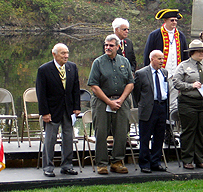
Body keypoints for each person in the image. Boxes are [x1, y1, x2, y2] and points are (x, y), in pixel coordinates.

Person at [88, 34, 134, 175]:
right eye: (106, 45)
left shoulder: (124, 61)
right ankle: (102, 163)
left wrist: (121, 99)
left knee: (121, 132)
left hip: (121, 101)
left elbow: (130, 83)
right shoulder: (98, 62)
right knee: (101, 132)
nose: (107, 47)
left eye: (111, 45)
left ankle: (117, 162)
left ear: (118, 47)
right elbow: (94, 86)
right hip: (102, 102)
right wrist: (109, 102)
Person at [173, 39, 203, 169]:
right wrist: (190, 86)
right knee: (189, 131)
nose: (202, 53)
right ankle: (187, 159)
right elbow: (176, 82)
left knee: (202, 130)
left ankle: (200, 159)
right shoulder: (183, 66)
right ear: (192, 52)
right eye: (199, 51)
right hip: (188, 102)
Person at [36, 43, 81, 177]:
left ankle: (67, 165)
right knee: (50, 139)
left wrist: (77, 107)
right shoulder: (44, 70)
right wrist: (44, 113)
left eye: (67, 53)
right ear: (54, 54)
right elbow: (41, 93)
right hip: (52, 110)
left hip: (68, 110)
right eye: (63, 53)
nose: (66, 56)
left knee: (68, 138)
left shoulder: (72, 67)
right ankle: (48, 167)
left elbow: (75, 89)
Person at [143, 9, 188, 112]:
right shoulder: (155, 35)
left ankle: (171, 124)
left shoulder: (181, 36)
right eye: (172, 20)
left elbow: (185, 56)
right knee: (159, 99)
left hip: (175, 74)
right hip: (159, 73)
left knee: (173, 101)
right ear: (165, 21)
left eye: (176, 20)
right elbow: (147, 55)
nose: (174, 23)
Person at [133, 50, 169, 173]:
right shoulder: (141, 73)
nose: (162, 61)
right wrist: (142, 104)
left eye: (162, 58)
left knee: (159, 137)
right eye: (159, 59)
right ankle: (144, 163)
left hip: (162, 107)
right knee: (145, 137)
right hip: (148, 108)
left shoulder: (164, 72)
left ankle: (156, 162)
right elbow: (136, 93)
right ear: (152, 59)